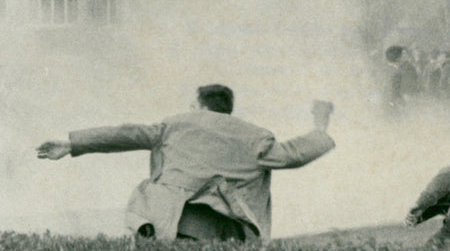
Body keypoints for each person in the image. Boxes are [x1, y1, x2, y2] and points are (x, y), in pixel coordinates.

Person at [36, 85, 336, 241]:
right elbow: (293, 155)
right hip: (224, 236)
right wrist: (320, 125)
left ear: (201, 106)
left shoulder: (175, 125)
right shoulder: (254, 136)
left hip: (170, 227)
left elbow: (126, 134)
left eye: (192, 106)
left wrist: (71, 144)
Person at [385, 45, 420, 110]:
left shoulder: (404, 69)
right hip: (398, 105)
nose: (405, 56)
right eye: (403, 54)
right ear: (398, 58)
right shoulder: (400, 71)